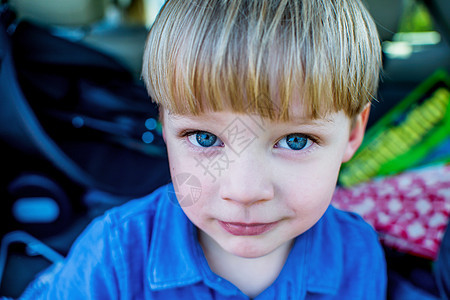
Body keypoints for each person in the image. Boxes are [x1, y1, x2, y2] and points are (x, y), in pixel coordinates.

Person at [16, 0, 387, 299]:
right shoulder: (112, 256)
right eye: (205, 138)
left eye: (296, 140)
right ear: (164, 125)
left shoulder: (358, 253)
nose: (243, 191)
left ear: (353, 134)